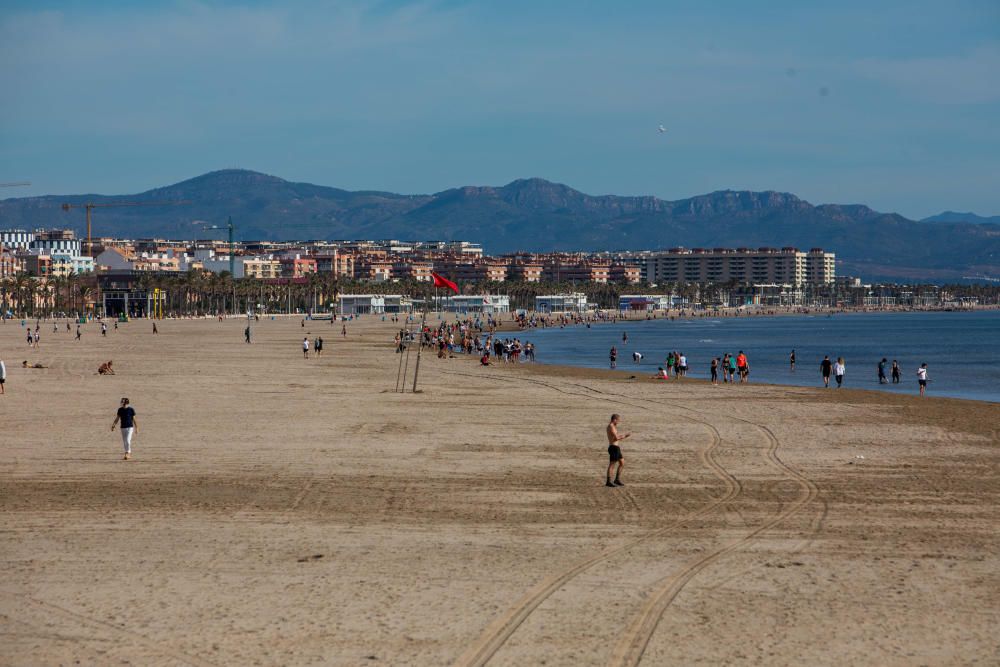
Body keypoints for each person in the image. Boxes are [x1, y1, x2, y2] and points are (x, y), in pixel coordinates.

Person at [606, 413, 631, 487]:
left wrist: (623, 435)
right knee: (612, 464)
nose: (618, 422)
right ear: (614, 420)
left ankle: (617, 479)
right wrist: (625, 436)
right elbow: (616, 438)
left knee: (622, 463)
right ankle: (608, 481)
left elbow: (616, 437)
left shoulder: (612, 426)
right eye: (618, 421)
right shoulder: (611, 427)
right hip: (613, 448)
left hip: (616, 448)